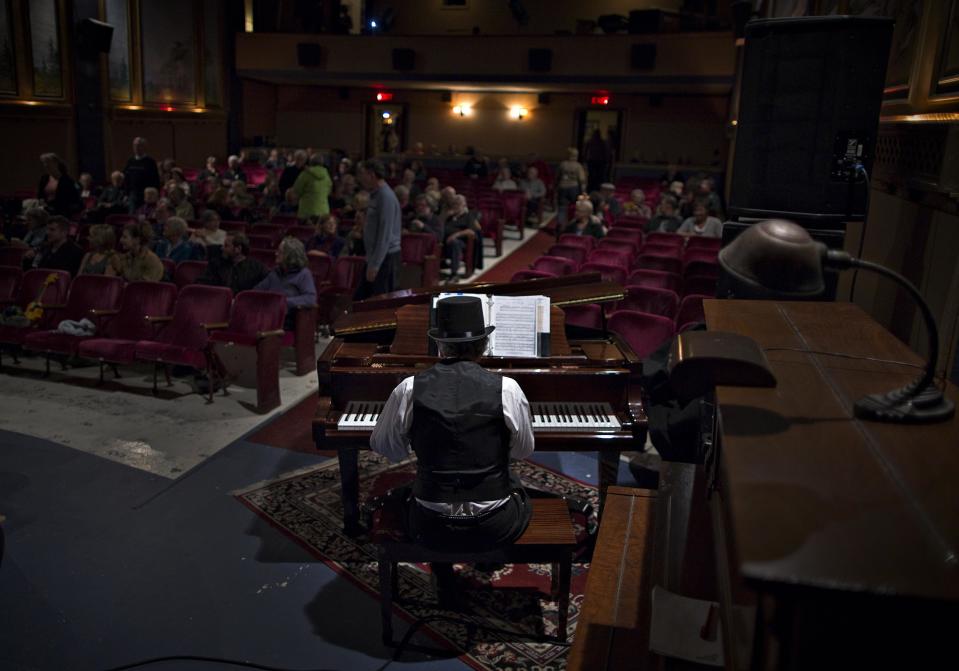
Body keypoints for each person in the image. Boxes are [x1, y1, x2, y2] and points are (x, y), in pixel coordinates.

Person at [370, 295, 534, 601]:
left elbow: (386, 447)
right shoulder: (507, 388)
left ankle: (443, 575)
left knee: (409, 493)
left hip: (429, 524)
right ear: (483, 345)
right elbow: (523, 451)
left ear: (439, 345)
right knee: (517, 486)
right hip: (496, 524)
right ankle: (487, 555)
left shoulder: (409, 387)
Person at [355, 159, 402, 299]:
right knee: (361, 301)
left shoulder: (385, 197)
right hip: (375, 257)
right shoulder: (375, 194)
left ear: (371, 175)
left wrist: (375, 265)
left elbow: (385, 235)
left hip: (385, 259)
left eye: (362, 174)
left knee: (380, 303)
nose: (360, 178)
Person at [254, 237, 317, 330]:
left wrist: (283, 302)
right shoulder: (275, 272)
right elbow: (256, 291)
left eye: (280, 252)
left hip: (287, 320)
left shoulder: (304, 274)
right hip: (267, 315)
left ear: (290, 255)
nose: (275, 253)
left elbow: (310, 298)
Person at [198, 233, 268, 294]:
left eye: (226, 246)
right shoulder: (215, 264)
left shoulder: (257, 268)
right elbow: (201, 284)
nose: (222, 248)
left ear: (238, 249)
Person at [442, 194, 483, 277]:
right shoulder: (449, 216)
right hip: (444, 240)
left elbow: (471, 231)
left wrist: (455, 235)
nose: (455, 206)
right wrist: (445, 216)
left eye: (458, 204)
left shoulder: (468, 216)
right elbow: (440, 226)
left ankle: (454, 274)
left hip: (461, 242)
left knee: (455, 243)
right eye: (454, 204)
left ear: (464, 205)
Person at [123, 137, 160, 212]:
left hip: (147, 194)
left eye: (139, 145)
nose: (136, 148)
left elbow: (156, 179)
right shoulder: (130, 161)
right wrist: (126, 194)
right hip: (133, 194)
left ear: (144, 147)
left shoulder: (150, 162)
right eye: (135, 145)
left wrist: (155, 194)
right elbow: (126, 178)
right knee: (132, 215)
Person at [292, 153, 332, 220]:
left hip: (306, 211)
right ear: (322, 163)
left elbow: (296, 190)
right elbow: (329, 191)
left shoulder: (305, 174)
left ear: (310, 163)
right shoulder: (327, 176)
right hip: (323, 211)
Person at [556, 147, 586, 231]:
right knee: (574, 208)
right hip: (574, 188)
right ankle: (572, 226)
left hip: (562, 187)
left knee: (562, 208)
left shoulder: (562, 164)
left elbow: (557, 177)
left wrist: (556, 188)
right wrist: (583, 192)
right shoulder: (578, 166)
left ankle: (560, 225)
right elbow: (582, 180)